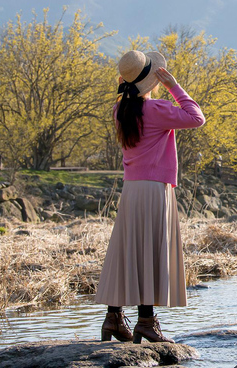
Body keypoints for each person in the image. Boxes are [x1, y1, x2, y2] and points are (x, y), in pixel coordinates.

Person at [96, 50, 205, 343]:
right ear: (152, 80)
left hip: (131, 190)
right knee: (150, 252)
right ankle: (145, 321)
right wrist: (173, 85)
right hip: (155, 188)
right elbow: (196, 118)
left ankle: (113, 317)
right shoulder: (156, 109)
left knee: (127, 250)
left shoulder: (120, 110)